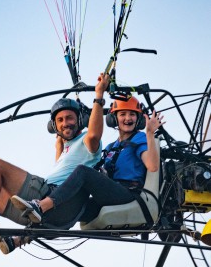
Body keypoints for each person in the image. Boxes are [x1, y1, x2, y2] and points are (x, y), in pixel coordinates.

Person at [0, 73, 110, 253]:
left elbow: (94, 134)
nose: (65, 123)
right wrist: (59, 146)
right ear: (54, 126)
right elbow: (62, 170)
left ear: (80, 120)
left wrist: (99, 96)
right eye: (60, 120)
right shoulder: (66, 149)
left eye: (69, 118)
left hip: (50, 200)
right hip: (34, 212)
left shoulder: (87, 142)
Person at [11, 96, 164, 230]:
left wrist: (150, 133)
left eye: (132, 114)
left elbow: (153, 166)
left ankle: (42, 206)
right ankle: (23, 238)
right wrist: (62, 145)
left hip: (127, 194)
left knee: (82, 171)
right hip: (110, 193)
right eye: (122, 114)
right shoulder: (111, 147)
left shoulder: (140, 138)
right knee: (74, 208)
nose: (128, 119)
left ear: (138, 120)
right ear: (113, 119)